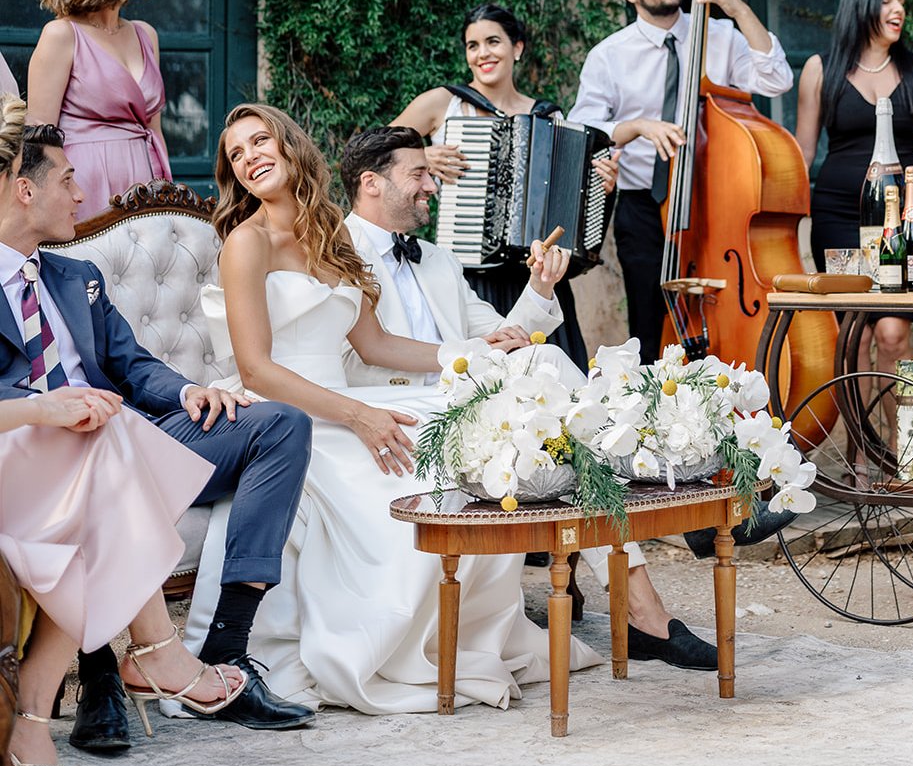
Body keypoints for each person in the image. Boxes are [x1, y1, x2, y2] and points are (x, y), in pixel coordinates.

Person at [184, 104, 602, 713]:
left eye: (259, 141)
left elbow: (375, 344)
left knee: (463, 434)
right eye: (236, 154)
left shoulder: (329, 233)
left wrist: (469, 355)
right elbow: (256, 370)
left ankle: (455, 632)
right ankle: (381, 646)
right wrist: (358, 417)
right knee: (396, 473)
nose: (249, 158)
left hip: (345, 395)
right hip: (283, 412)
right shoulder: (247, 243)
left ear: (290, 144)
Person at [339, 124, 720, 670]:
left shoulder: (437, 260)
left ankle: (643, 606)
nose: (432, 185)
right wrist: (469, 354)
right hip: (395, 406)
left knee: (546, 377)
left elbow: (503, 337)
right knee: (550, 376)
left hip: (470, 403)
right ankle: (675, 517)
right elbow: (357, 353)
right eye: (418, 173)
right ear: (371, 182)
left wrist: (540, 286)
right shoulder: (335, 250)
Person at [0, 119, 316, 748]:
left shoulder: (76, 277)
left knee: (281, 423)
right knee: (91, 434)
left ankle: (227, 649)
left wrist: (187, 391)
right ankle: (103, 674)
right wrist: (49, 408)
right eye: (68, 180)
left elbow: (132, 363)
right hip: (33, 452)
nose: (81, 195)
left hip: (122, 440)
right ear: (25, 190)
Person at [568, 0, 794, 364]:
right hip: (644, 206)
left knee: (723, 317)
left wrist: (737, 8)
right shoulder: (609, 55)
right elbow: (584, 128)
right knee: (650, 326)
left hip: (716, 207)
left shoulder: (720, 35)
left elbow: (776, 79)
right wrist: (637, 126)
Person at [393, 3, 613, 370]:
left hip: (539, 277)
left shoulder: (548, 116)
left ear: (517, 48)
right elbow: (377, 153)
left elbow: (572, 205)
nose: (482, 53)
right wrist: (424, 157)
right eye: (473, 45)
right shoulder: (444, 103)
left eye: (493, 42)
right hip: (471, 276)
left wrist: (599, 188)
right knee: (487, 379)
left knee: (551, 380)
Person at [795, 0, 913, 389]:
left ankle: (897, 433)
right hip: (837, 216)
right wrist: (782, 222)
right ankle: (859, 434)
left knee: (892, 333)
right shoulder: (820, 69)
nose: (899, 9)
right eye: (888, 1)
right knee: (854, 334)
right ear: (861, 5)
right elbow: (803, 151)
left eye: (901, 1)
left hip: (903, 219)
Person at [27, 0, 172, 221]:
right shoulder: (62, 35)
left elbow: (155, 130)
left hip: (146, 184)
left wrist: (166, 192)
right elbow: (39, 141)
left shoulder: (146, 35)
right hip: (84, 188)